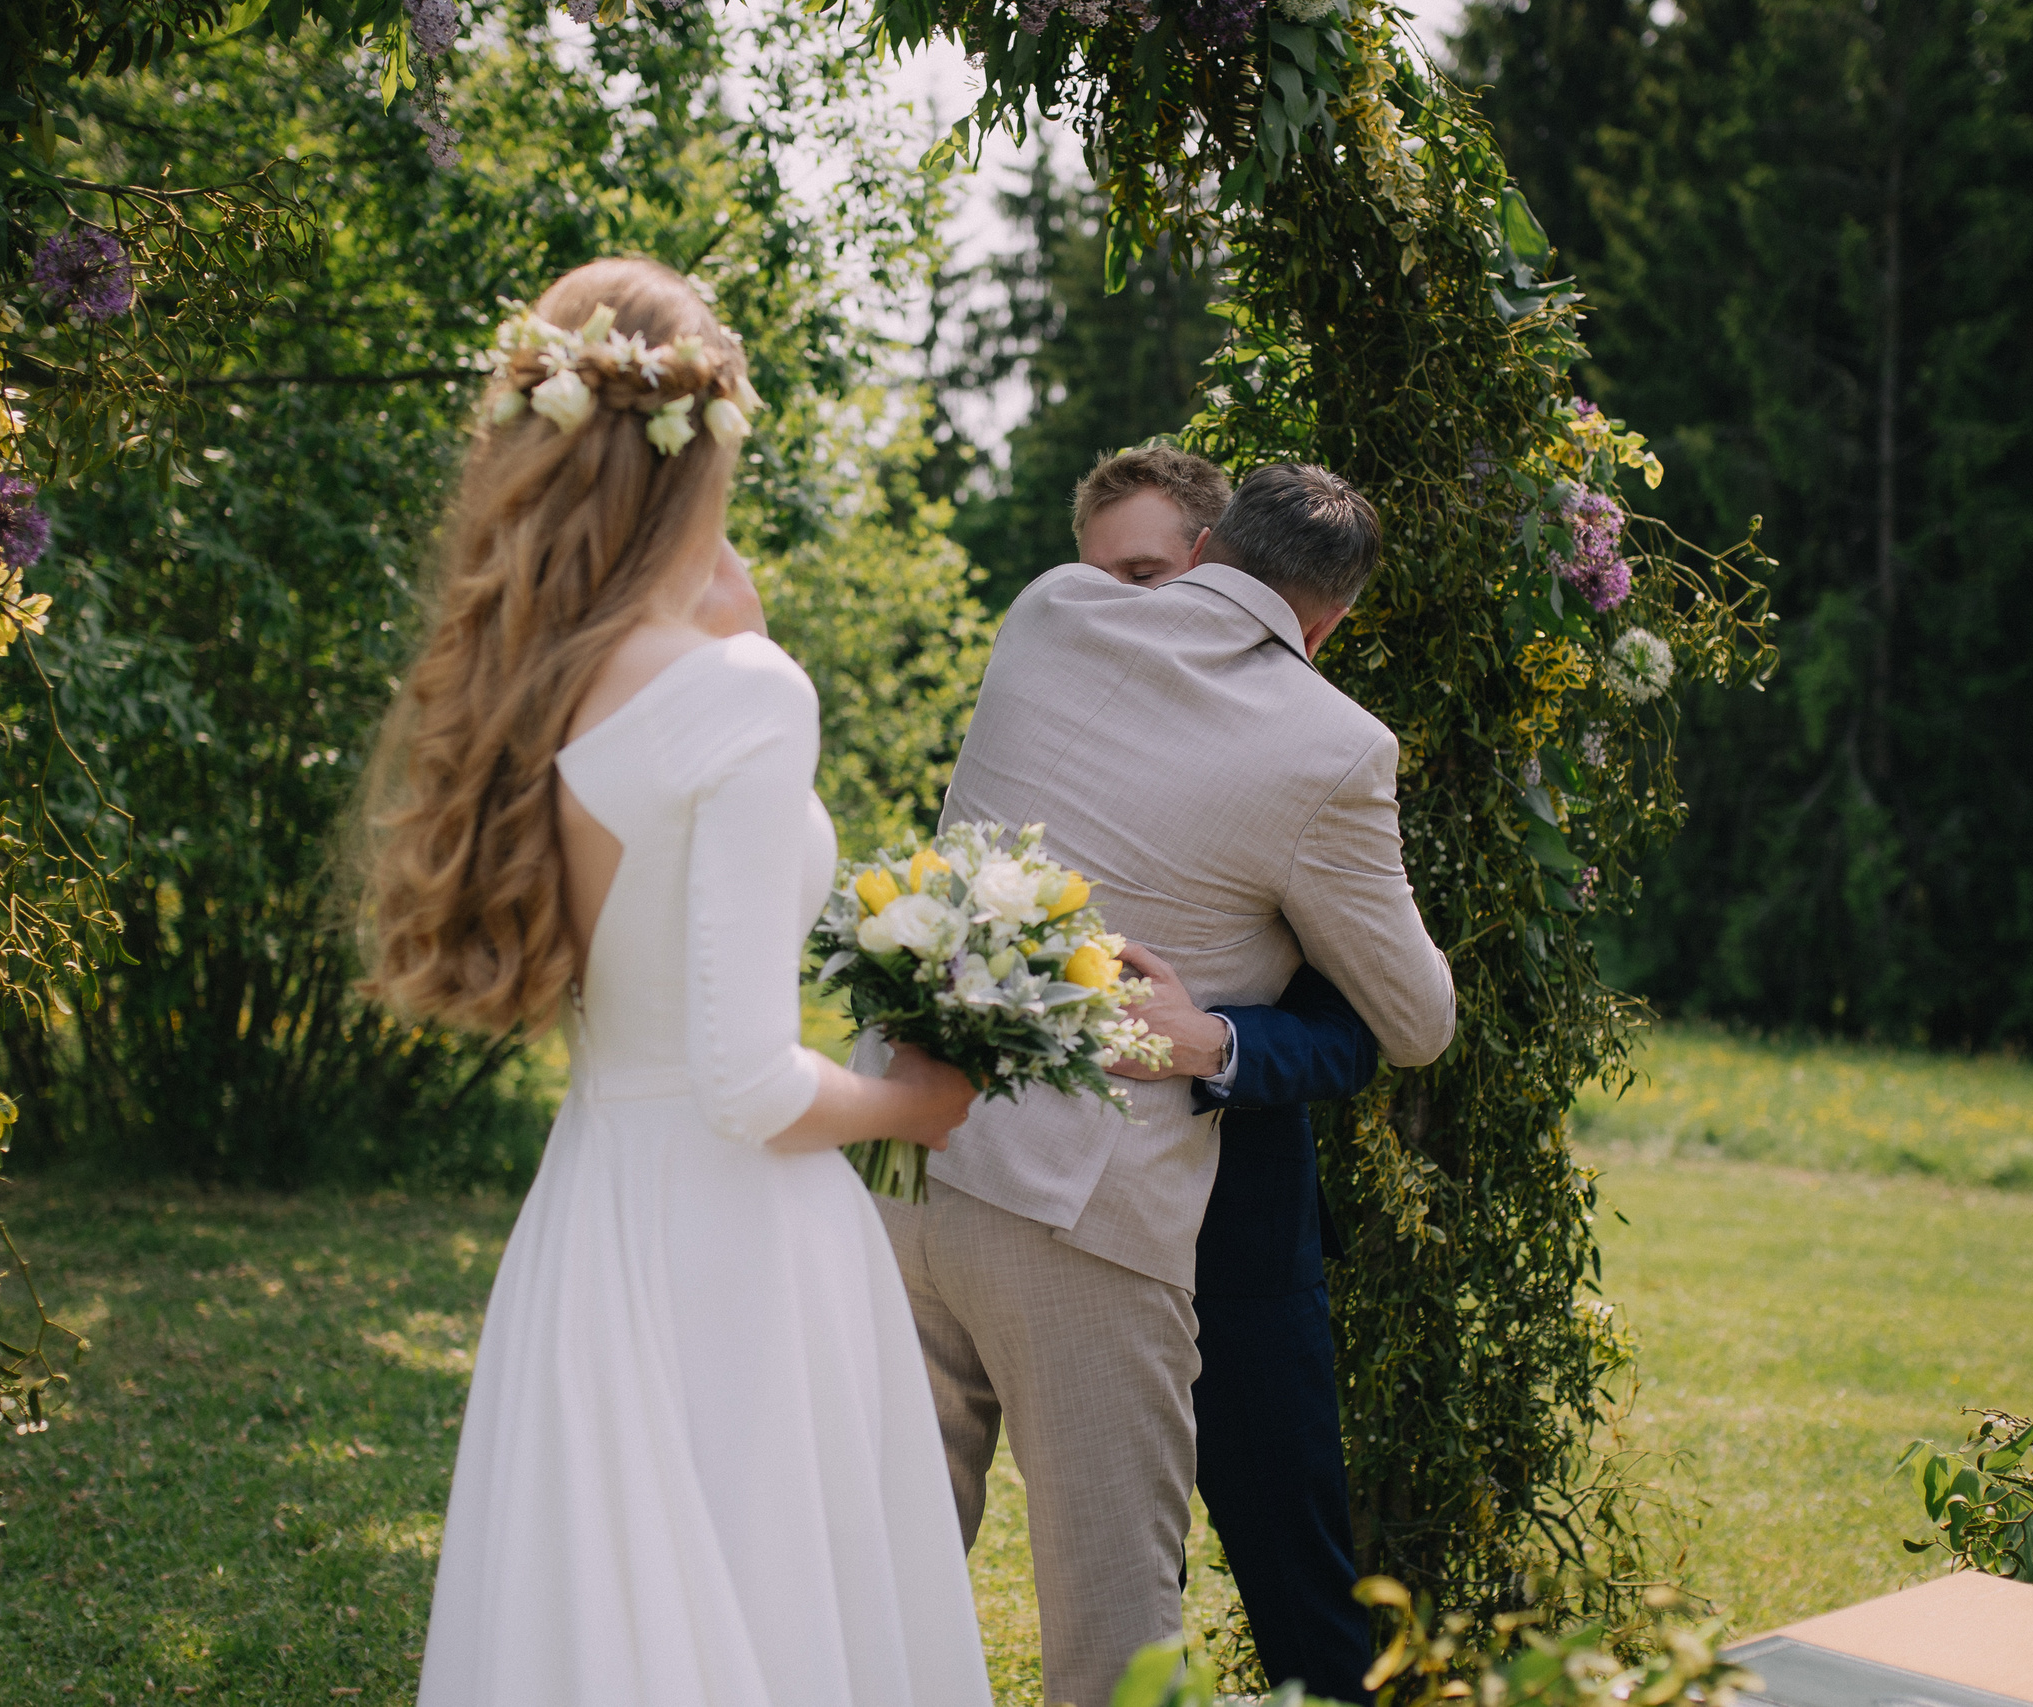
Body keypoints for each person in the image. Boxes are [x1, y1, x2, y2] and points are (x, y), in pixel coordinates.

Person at [356, 257, 993, 1707]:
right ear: (704, 444)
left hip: (593, 1209)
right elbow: (750, 1080)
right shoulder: (745, 692)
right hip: (738, 1243)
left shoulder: (533, 677)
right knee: (770, 1621)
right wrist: (918, 1101)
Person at [869, 451, 1454, 1705]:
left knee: (876, 1569)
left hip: (899, 1160)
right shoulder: (1336, 748)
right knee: (1113, 1621)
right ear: (1333, 617)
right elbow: (1416, 1019)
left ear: (1206, 550)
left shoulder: (1048, 609)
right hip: (1080, 1214)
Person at [1076, 446, 1385, 1703]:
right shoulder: (1054, 728)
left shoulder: (1311, 760)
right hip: (1064, 1231)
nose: (1124, 614)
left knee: (1296, 1569)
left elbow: (1361, 1021)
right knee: (1109, 1580)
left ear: (1211, 570)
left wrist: (1219, 1045)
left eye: (1147, 576)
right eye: (1099, 585)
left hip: (1238, 1237)